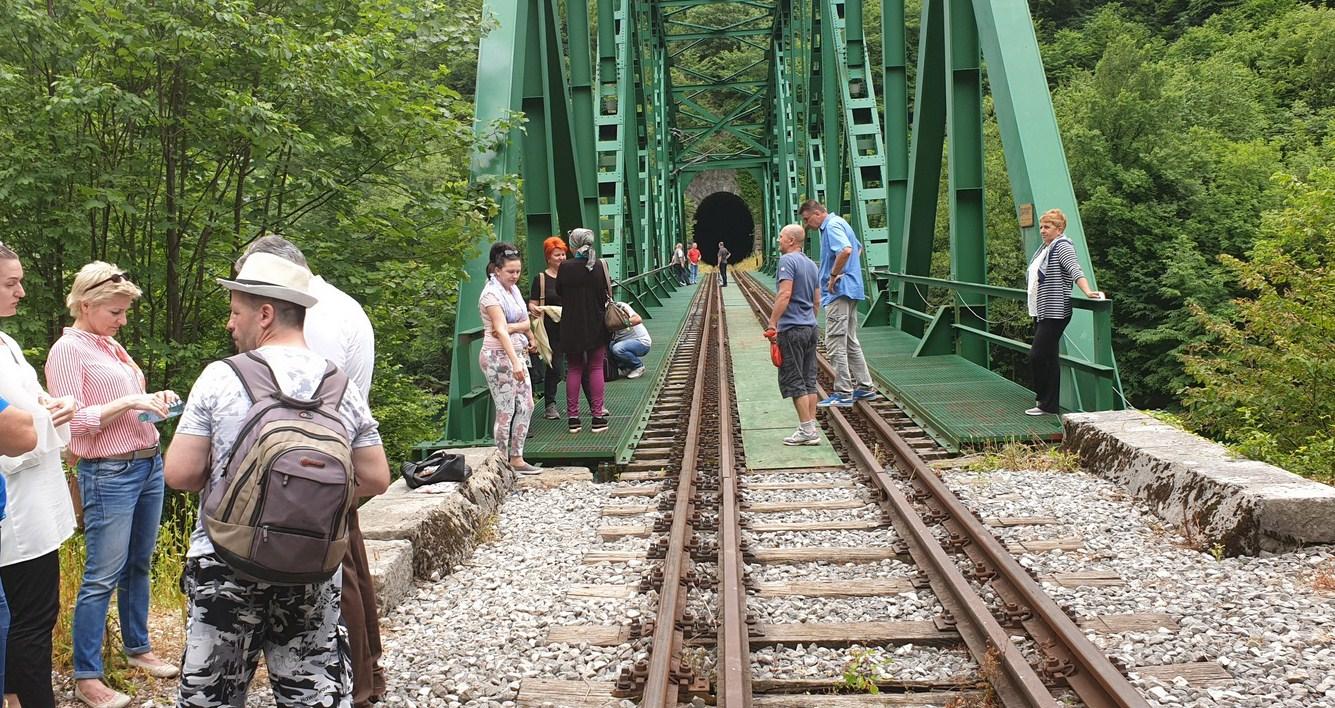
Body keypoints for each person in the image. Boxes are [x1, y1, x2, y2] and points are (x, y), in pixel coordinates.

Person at [164, 252, 391, 707]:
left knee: (213, 695)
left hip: (225, 563)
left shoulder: (221, 377)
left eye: (235, 311)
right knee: (310, 688)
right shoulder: (338, 385)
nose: (230, 323)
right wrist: (306, 506)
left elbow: (181, 473)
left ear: (265, 313)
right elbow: (377, 477)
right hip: (311, 564)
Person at [237, 235, 385, 708]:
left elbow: (301, 406)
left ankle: (356, 686)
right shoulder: (343, 302)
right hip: (337, 462)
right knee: (352, 567)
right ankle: (369, 673)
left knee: (335, 576)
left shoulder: (313, 317)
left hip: (311, 471)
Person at [45, 262, 177, 708]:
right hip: (109, 472)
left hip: (146, 464)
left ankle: (137, 647)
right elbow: (74, 425)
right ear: (87, 305)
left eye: (124, 312)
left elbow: (121, 409)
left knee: (139, 563)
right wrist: (127, 401)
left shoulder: (109, 347)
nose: (122, 321)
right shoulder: (68, 351)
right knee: (102, 575)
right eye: (115, 313)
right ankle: (88, 677)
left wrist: (152, 404)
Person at [1, 244, 79, 708]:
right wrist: (46, 422)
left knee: (33, 618)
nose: (22, 291)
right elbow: (16, 443)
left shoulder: (7, 343)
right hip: (14, 515)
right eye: (10, 283)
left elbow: (34, 406)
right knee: (26, 623)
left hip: (40, 508)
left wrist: (55, 407)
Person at [799, 200, 878, 408]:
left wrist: (834, 275)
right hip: (851, 289)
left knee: (835, 342)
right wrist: (849, 271)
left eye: (807, 219)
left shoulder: (831, 226)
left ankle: (843, 392)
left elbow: (846, 250)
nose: (807, 225)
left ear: (817, 213)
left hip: (839, 292)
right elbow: (858, 248)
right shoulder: (841, 222)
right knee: (851, 341)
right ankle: (865, 386)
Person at [1026, 208, 1105, 416]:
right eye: (1041, 226)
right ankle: (1047, 405)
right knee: (1049, 357)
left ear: (1059, 229)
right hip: (1043, 309)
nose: (1042, 230)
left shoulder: (1062, 246)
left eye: (1047, 227)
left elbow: (1074, 269)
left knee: (1037, 355)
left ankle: (1043, 401)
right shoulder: (1046, 248)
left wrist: (1087, 291)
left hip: (1056, 310)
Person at [478, 243, 540, 472]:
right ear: (497, 270)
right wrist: (514, 361)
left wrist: (528, 333)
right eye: (510, 272)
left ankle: (517, 457)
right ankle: (502, 462)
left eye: (518, 271)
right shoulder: (491, 295)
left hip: (517, 351)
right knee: (506, 409)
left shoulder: (511, 291)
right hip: (497, 356)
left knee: (527, 404)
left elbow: (524, 320)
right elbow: (499, 330)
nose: (515, 276)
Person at [765, 225, 823, 445]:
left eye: (781, 237)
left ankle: (807, 431)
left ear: (791, 240)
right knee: (809, 379)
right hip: (810, 327)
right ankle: (809, 426)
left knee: (794, 379)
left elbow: (785, 293)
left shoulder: (787, 261)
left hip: (792, 329)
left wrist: (773, 323)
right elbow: (816, 300)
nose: (778, 240)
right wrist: (810, 319)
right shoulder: (810, 264)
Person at [557, 229, 612, 434]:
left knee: (574, 368)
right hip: (596, 322)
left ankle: (573, 420)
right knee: (596, 367)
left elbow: (560, 292)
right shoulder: (599, 265)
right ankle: (597, 418)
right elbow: (605, 292)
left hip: (571, 324)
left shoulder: (565, 267)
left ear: (573, 244)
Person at [529, 236, 569, 421]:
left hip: (572, 326)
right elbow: (532, 303)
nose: (561, 258)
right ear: (548, 257)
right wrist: (534, 309)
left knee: (582, 365)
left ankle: (593, 404)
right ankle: (550, 405)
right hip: (551, 330)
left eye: (563, 254)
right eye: (557, 255)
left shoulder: (570, 274)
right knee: (556, 368)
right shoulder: (541, 279)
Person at [608, 302, 651, 379]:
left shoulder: (619, 306)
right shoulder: (599, 310)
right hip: (622, 342)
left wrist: (621, 323)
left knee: (617, 348)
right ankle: (626, 367)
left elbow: (637, 319)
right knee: (608, 347)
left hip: (641, 342)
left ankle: (638, 366)